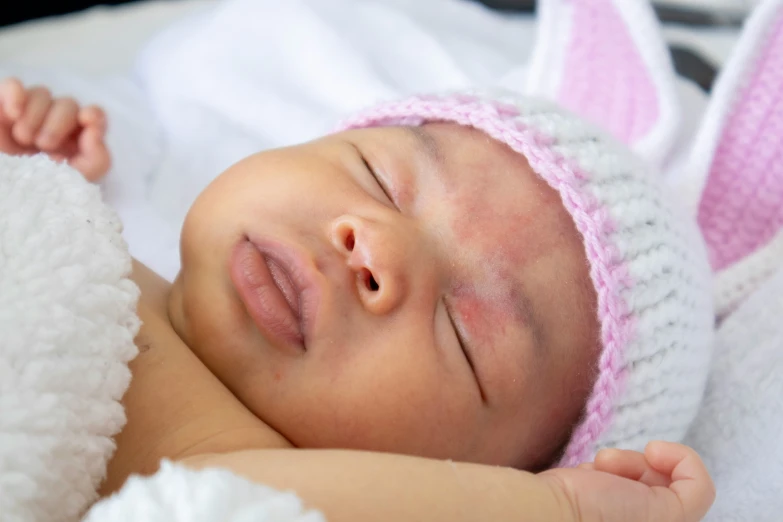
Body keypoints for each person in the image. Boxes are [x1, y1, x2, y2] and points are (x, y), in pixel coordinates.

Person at [0, 75, 716, 521]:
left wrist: (555, 512)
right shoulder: (92, 226)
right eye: (377, 176)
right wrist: (32, 163)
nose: (373, 246)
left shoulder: (234, 469)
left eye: (465, 332)